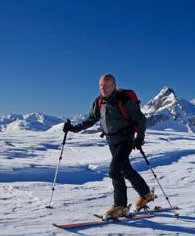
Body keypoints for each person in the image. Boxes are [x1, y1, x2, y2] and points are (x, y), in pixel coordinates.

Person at [64, 74, 154, 219]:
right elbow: (91, 120)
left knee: (114, 170)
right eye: (101, 85)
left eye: (106, 86)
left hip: (126, 139)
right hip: (112, 141)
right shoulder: (99, 102)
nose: (103, 88)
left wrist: (139, 139)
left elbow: (142, 119)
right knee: (126, 170)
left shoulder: (124, 100)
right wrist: (73, 128)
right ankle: (146, 194)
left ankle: (120, 207)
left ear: (113, 85)